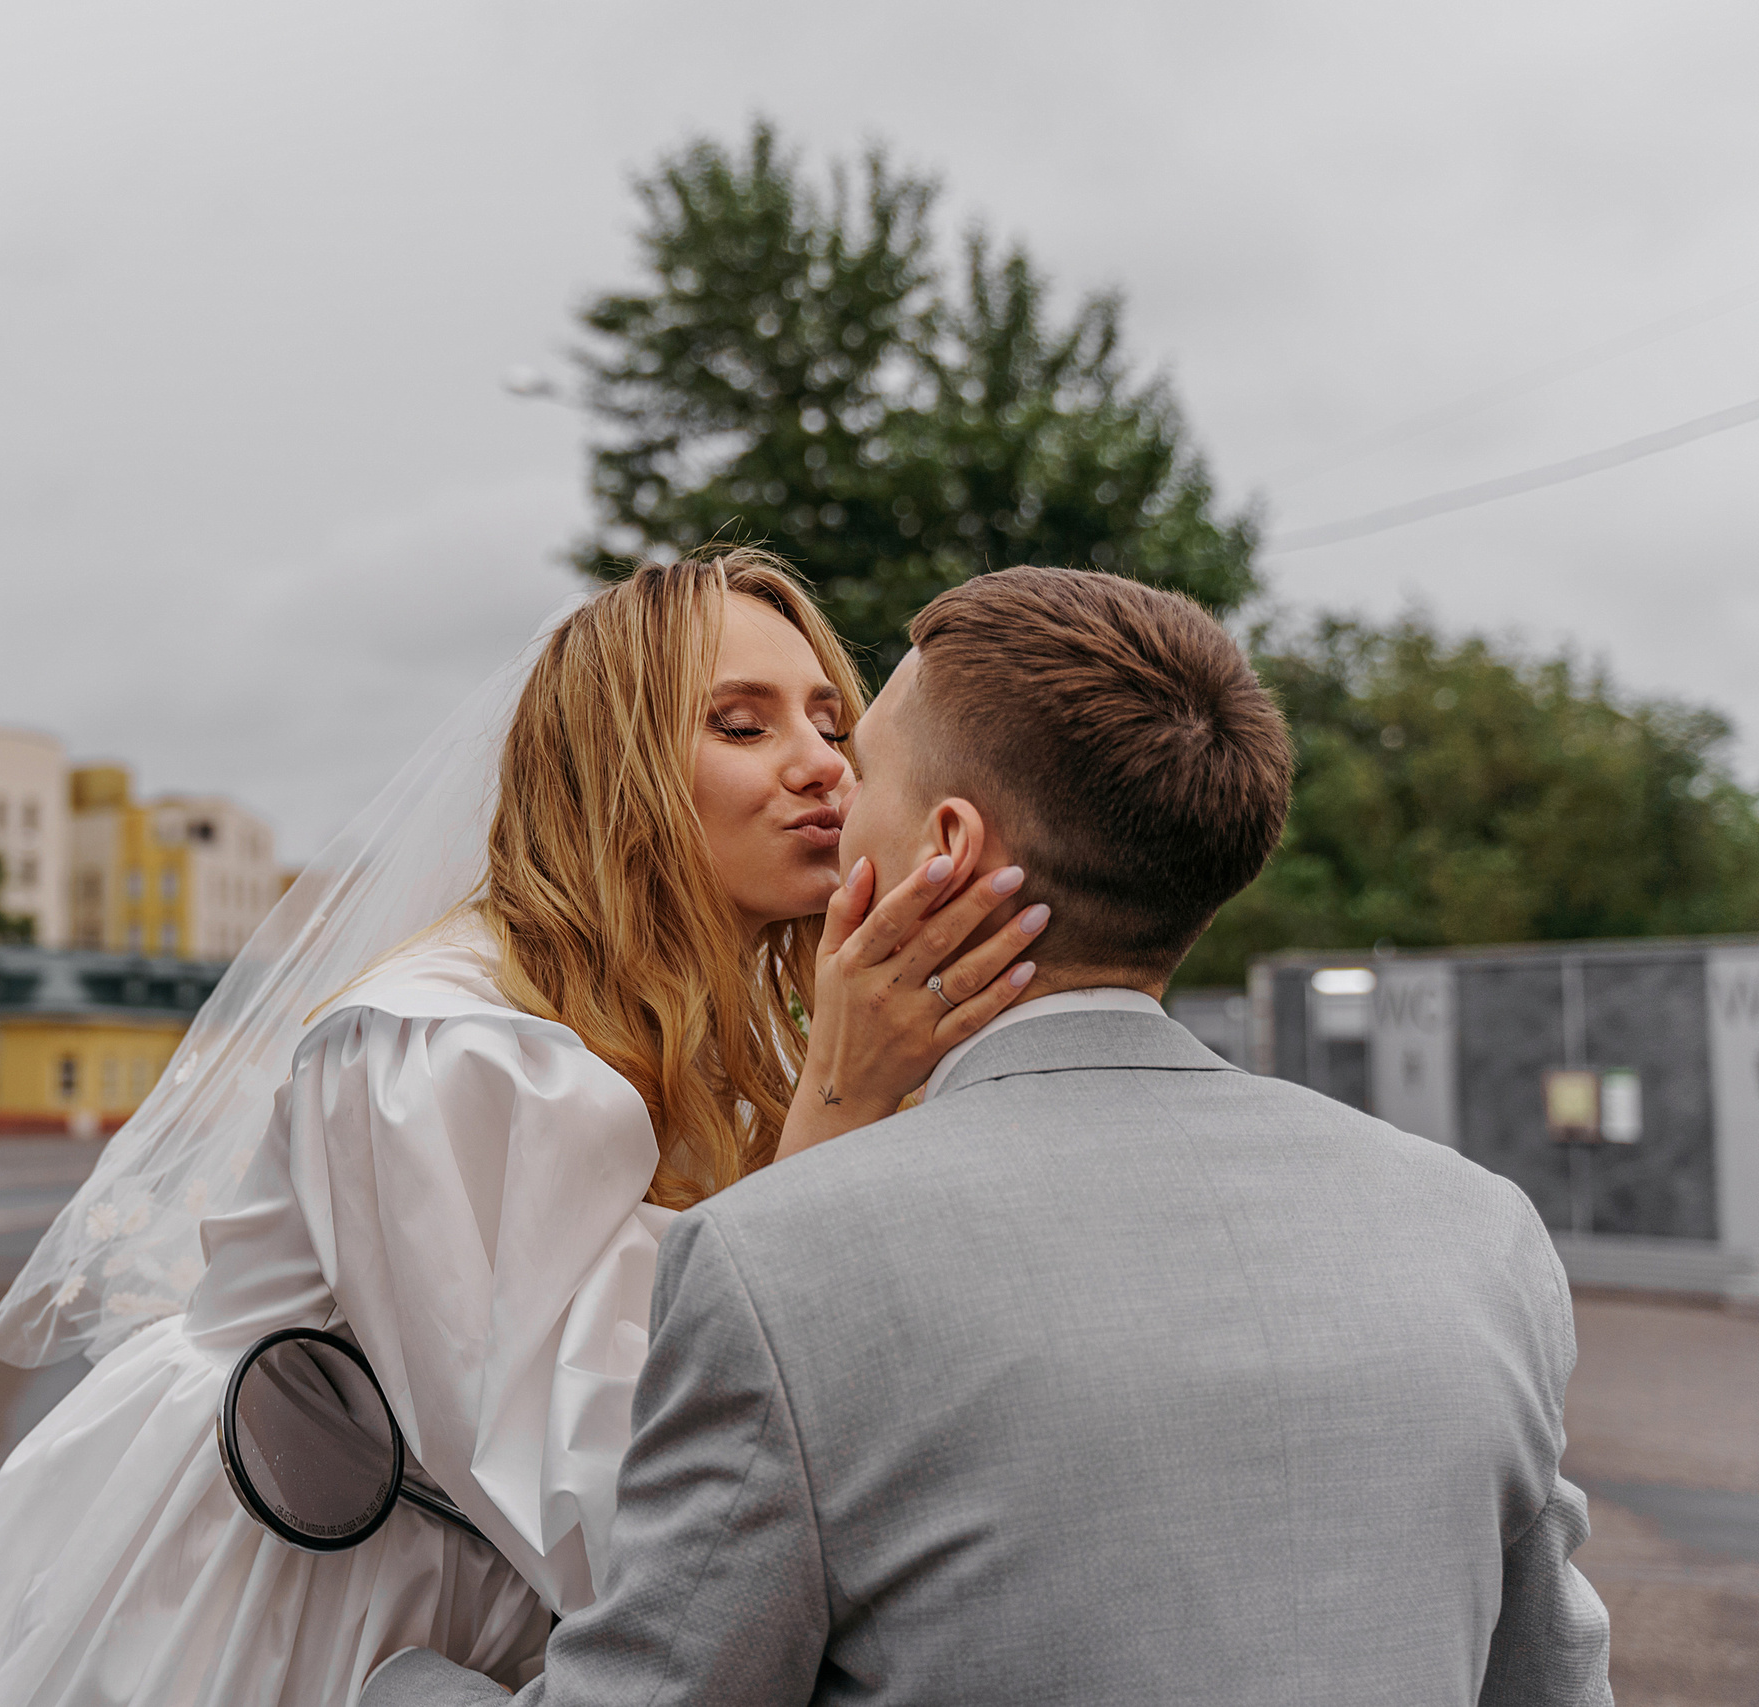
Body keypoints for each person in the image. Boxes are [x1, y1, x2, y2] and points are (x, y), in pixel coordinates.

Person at [367, 565, 1613, 1707]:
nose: (827, 784)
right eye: (746, 725)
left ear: (949, 846)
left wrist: (401, 1687)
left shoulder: (779, 1262)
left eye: (859, 750)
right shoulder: (1481, 1231)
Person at [0, 552, 1047, 1707]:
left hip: (481, 1611)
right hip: (283, 1607)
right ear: (608, 773)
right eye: (741, 725)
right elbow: (600, 1505)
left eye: (832, 725)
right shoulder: (441, 1049)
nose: (822, 767)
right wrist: (841, 1106)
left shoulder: (752, 1034)